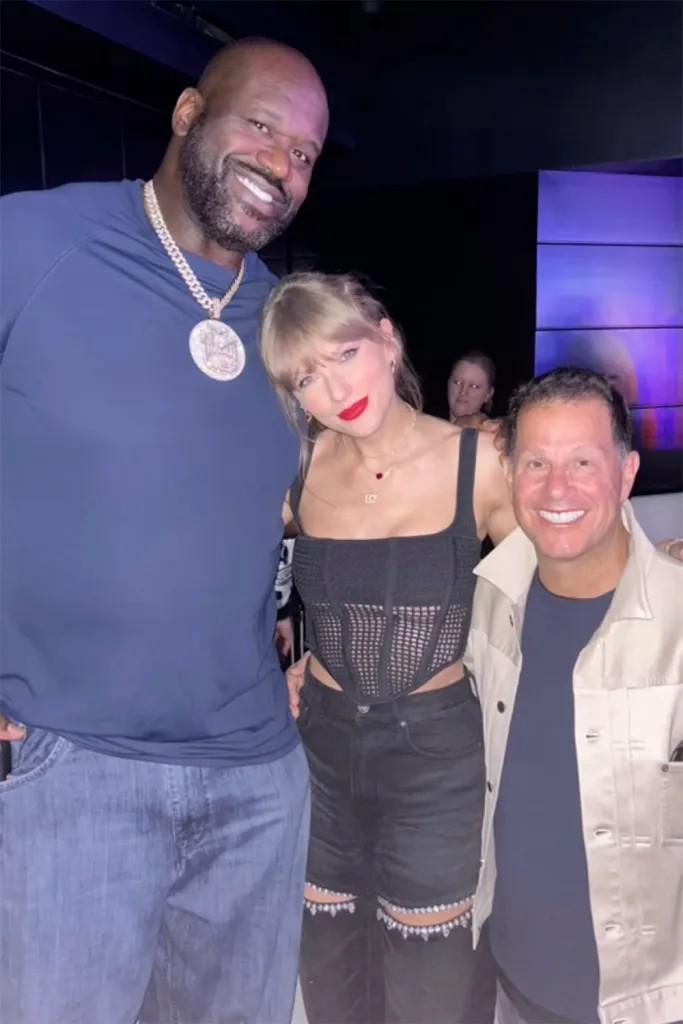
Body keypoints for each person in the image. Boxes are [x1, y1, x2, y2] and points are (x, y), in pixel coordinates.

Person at [0, 39, 328, 1024]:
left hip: (257, 777)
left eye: (305, 153)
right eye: (261, 126)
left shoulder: (284, 322)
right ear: (189, 113)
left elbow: (354, 489)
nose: (280, 164)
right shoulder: (32, 243)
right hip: (73, 766)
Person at [260, 272, 518, 1024]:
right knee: (328, 977)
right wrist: (265, 670)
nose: (333, 390)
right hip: (321, 748)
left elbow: (559, 581)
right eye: (304, 377)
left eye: (344, 354)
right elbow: (209, 570)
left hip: (435, 755)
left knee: (430, 987)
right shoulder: (298, 471)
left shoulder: (481, 461)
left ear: (387, 338)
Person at [467, 368, 683, 1024]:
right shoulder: (489, 598)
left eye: (582, 462)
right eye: (536, 463)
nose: (556, 488)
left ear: (626, 473)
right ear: (511, 476)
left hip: (649, 1003)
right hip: (511, 981)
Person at [448, 349, 499, 431]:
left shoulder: (494, 436)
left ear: (488, 394)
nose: (463, 391)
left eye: (474, 386)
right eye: (457, 382)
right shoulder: (429, 428)